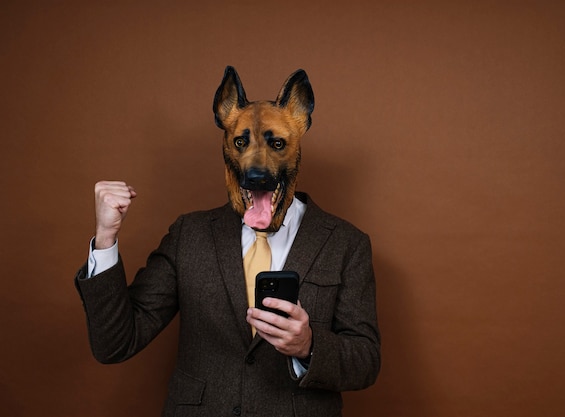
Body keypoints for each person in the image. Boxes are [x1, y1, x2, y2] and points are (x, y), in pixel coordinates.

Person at [75, 67, 380, 417]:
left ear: (299, 131)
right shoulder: (189, 235)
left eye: (276, 144)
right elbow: (115, 343)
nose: (257, 166)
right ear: (226, 144)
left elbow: (366, 361)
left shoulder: (346, 244)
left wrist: (309, 346)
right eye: (242, 143)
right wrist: (106, 238)